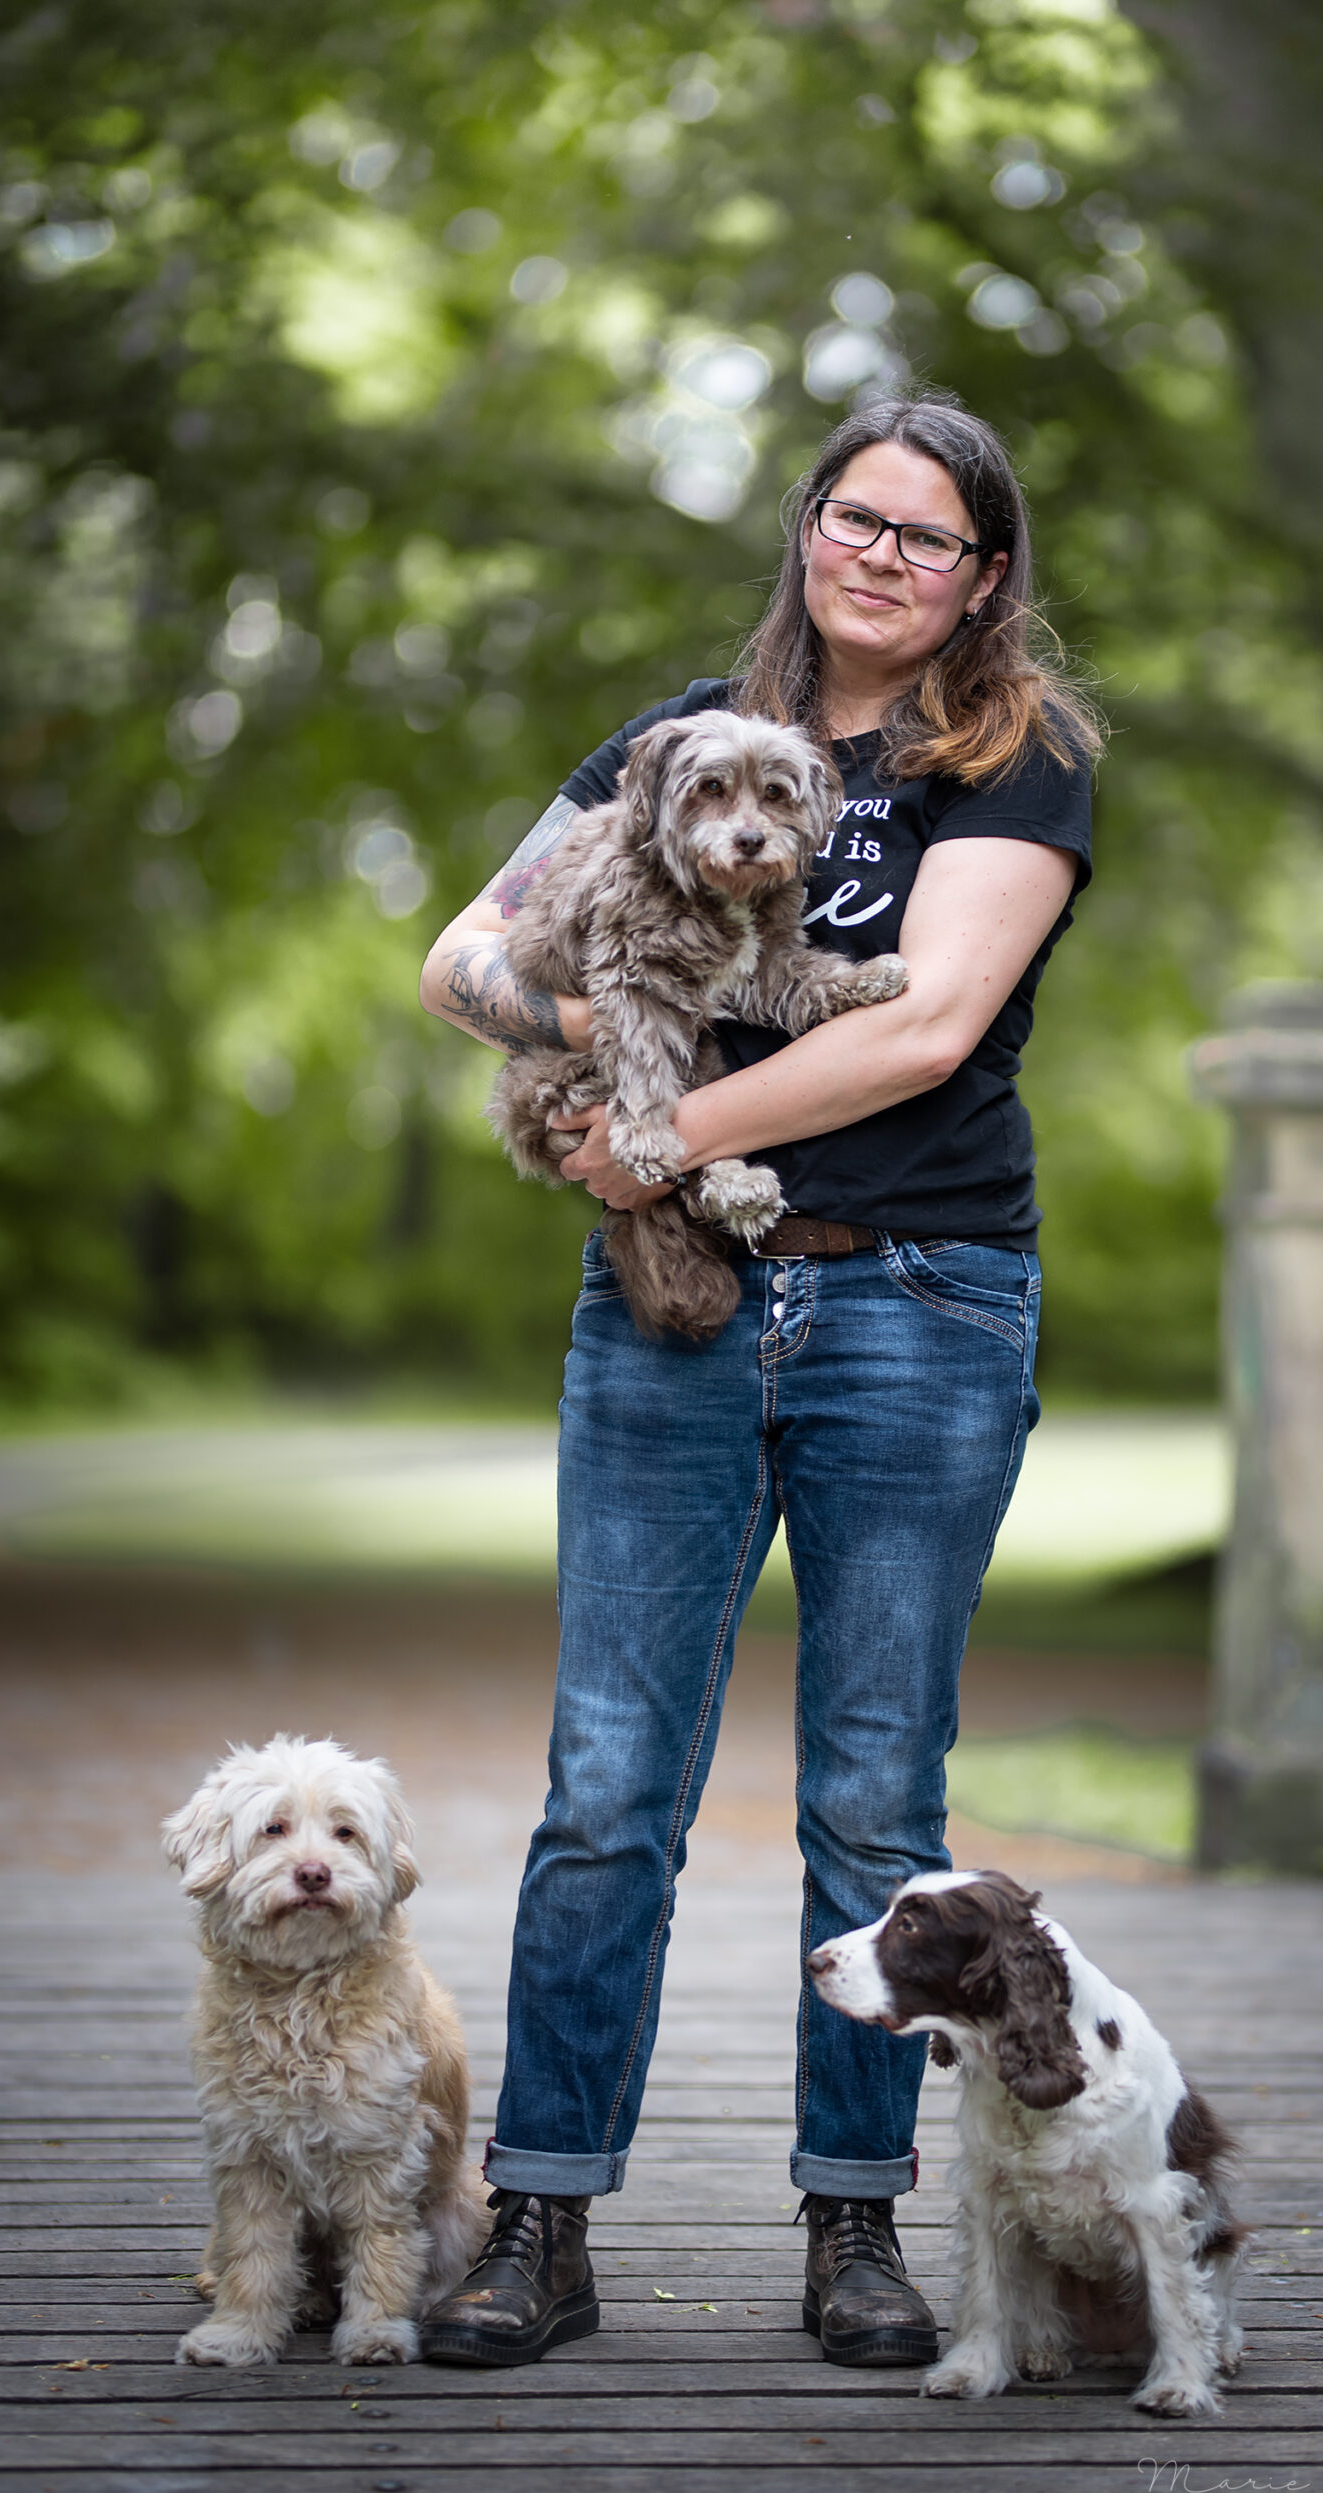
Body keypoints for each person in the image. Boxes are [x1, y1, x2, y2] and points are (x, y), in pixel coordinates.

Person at [415, 393, 1100, 2371]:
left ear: (982, 575)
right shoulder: (665, 741)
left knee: (874, 1795)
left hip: (922, 1300)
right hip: (670, 1295)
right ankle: (538, 2212)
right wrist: (584, 1041)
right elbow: (462, 952)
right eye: (852, 515)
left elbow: (924, 1026)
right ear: (806, 524)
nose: (879, 552)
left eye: (928, 535)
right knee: (605, 1787)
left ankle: (853, 2223)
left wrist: (664, 1115)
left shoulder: (1011, 759)